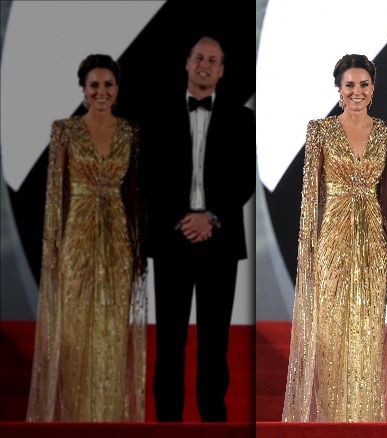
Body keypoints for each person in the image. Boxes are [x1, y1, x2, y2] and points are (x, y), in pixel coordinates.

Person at [281, 54, 387, 422]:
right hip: (332, 242)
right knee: (331, 338)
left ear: (373, 90)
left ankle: (364, 422)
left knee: (366, 337)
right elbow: (310, 199)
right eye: (350, 84)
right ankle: (334, 422)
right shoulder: (319, 131)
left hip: (374, 247)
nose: (357, 91)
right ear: (338, 89)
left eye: (364, 85)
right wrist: (311, 250)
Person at [26, 54, 146, 421]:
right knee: (76, 335)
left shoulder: (129, 132)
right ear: (83, 89)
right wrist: (56, 248)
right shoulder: (64, 130)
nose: (101, 92)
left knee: (111, 335)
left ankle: (109, 420)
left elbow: (134, 194)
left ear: (117, 89)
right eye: (94, 85)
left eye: (108, 85)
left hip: (117, 244)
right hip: (76, 241)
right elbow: (54, 196)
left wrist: (137, 248)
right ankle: (77, 420)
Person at [143, 36, 255, 422]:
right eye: (200, 58)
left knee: (215, 342)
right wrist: (183, 217)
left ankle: (213, 423)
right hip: (172, 240)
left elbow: (244, 179)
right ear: (187, 63)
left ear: (222, 70)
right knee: (169, 342)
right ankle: (167, 425)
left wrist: (210, 217)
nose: (205, 64)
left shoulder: (243, 119)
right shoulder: (157, 114)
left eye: (214, 60)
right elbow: (150, 176)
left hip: (219, 241)